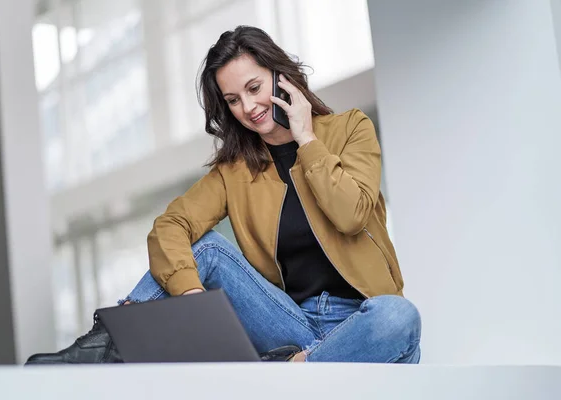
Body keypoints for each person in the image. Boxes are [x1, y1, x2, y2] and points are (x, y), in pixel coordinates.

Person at [26, 25, 421, 364]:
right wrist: (195, 302)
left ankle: (299, 370)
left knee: (399, 317)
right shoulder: (236, 169)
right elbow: (171, 225)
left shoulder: (351, 129)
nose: (248, 108)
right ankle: (105, 348)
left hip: (363, 320)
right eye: (233, 100)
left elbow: (350, 214)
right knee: (208, 249)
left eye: (254, 88)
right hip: (289, 326)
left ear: (281, 77)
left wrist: (306, 139)